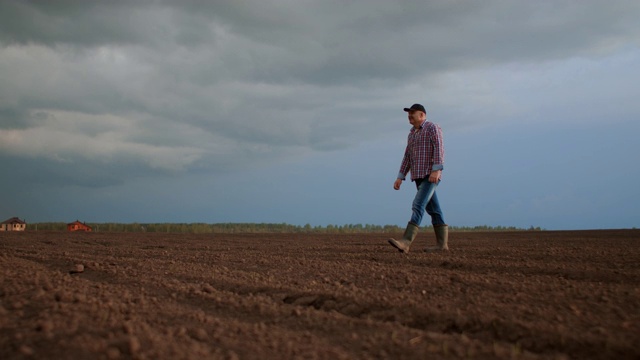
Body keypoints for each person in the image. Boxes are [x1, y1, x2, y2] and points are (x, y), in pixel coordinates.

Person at [388, 103, 448, 253]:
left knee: (418, 204)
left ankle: (406, 241)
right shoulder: (412, 134)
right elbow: (407, 157)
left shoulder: (432, 128)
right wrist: (400, 177)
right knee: (434, 210)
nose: (409, 116)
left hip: (430, 175)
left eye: (412, 113)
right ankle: (442, 245)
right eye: (408, 113)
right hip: (418, 176)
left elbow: (439, 148)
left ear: (422, 115)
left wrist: (436, 170)